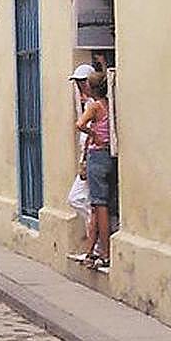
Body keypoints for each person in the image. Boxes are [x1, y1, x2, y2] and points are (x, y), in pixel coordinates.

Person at [75, 72, 114, 273]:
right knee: (100, 205)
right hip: (108, 155)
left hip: (97, 157)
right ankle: (93, 251)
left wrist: (93, 134)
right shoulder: (109, 104)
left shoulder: (94, 106)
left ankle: (105, 253)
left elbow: (79, 124)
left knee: (99, 206)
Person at [65, 64, 96, 243]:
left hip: (91, 157)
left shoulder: (94, 105)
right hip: (87, 158)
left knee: (77, 198)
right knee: (82, 200)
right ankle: (94, 241)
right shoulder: (87, 104)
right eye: (78, 82)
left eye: (83, 82)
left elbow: (89, 132)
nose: (80, 86)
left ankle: (96, 241)